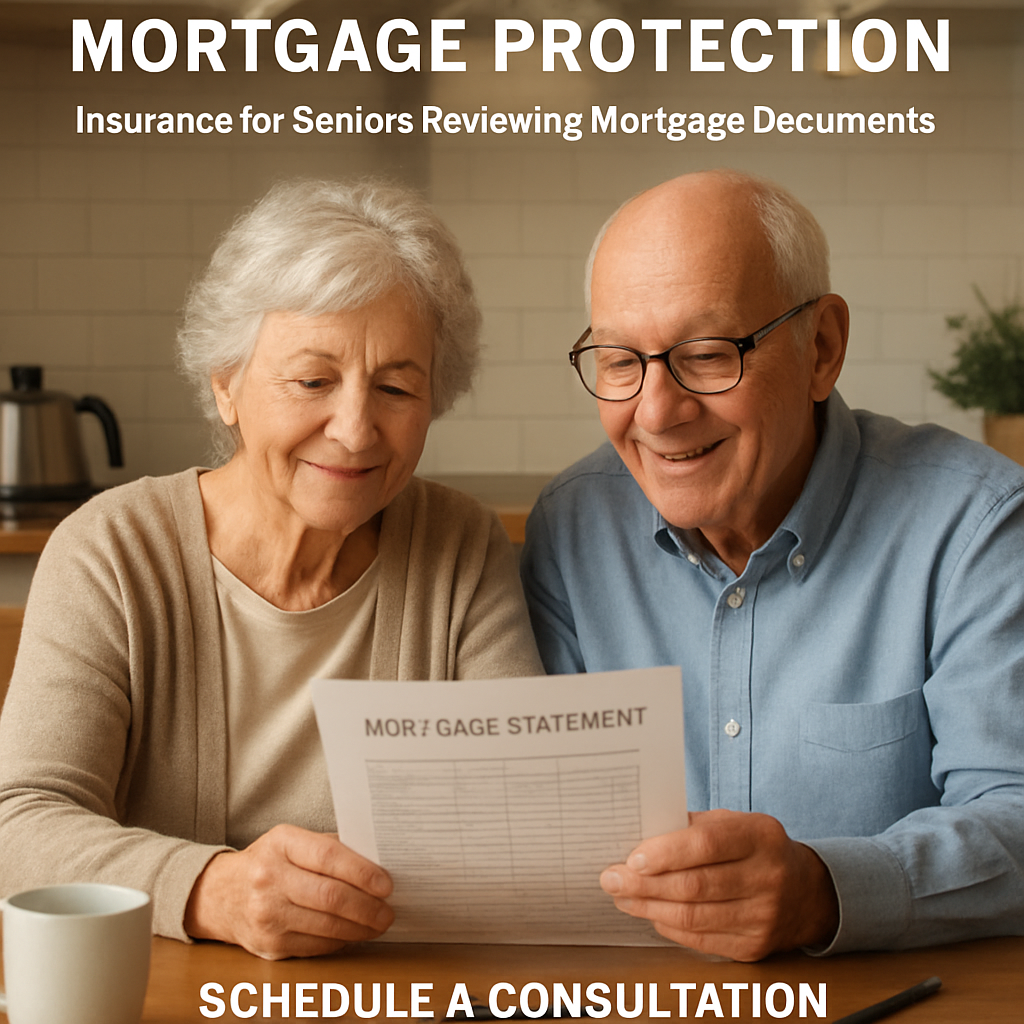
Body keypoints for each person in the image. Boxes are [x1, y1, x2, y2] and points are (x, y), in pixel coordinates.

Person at [0, 178, 542, 960]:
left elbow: (518, 812)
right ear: (227, 383)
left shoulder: (460, 546)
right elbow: (22, 822)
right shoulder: (111, 551)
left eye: (396, 386)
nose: (355, 431)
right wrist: (212, 888)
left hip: (394, 992)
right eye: (312, 381)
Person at [520, 170, 1024, 960]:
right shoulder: (570, 527)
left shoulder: (976, 525)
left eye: (709, 353)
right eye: (620, 361)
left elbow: (1017, 810)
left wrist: (826, 891)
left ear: (821, 348)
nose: (657, 413)